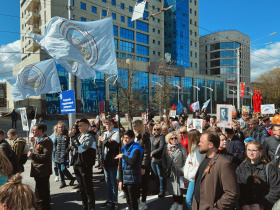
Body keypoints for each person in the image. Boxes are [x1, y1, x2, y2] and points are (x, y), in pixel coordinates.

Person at [192, 131, 239, 210]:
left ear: (211, 145)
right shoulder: (204, 157)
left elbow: (232, 193)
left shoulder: (224, 163)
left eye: (201, 142)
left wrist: (217, 208)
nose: (199, 144)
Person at [236, 140, 280, 210]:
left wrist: (261, 205)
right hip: (245, 207)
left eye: (254, 150)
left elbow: (276, 189)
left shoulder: (269, 167)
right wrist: (243, 204)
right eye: (249, 150)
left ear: (261, 151)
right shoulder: (241, 167)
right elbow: (238, 187)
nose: (251, 152)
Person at [116, 130, 144, 210]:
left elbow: (132, 162)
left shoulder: (137, 149)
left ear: (132, 138)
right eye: (124, 137)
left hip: (133, 179)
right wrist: (120, 180)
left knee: (133, 201)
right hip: (125, 179)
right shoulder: (124, 148)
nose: (125, 139)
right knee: (128, 201)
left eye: (127, 138)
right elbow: (121, 166)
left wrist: (123, 156)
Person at [28, 123, 53, 210]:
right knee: (38, 192)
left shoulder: (46, 140)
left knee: (43, 194)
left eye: (34, 130)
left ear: (40, 131)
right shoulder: (37, 139)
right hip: (38, 171)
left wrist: (33, 155)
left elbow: (46, 157)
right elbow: (36, 150)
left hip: (43, 171)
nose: (32, 131)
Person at [162, 132, 188, 210]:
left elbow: (185, 159)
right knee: (173, 188)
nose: (174, 140)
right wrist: (165, 167)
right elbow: (163, 158)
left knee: (180, 189)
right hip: (170, 172)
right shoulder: (166, 147)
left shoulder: (181, 147)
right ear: (169, 140)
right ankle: (175, 203)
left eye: (175, 138)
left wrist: (184, 169)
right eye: (172, 138)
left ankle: (180, 204)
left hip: (180, 171)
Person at [75, 119, 97, 210]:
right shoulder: (80, 135)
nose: (78, 127)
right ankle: (85, 207)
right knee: (82, 189)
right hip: (78, 165)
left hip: (86, 165)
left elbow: (80, 149)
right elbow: (73, 148)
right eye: (78, 125)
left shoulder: (90, 137)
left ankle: (91, 208)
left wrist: (73, 140)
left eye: (80, 125)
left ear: (87, 126)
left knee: (88, 189)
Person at [99, 119, 120, 210]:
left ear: (113, 125)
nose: (108, 126)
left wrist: (104, 140)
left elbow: (112, 146)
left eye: (110, 124)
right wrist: (101, 160)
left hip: (112, 160)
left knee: (113, 181)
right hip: (105, 159)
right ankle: (109, 199)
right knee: (108, 182)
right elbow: (101, 148)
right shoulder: (105, 133)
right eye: (106, 124)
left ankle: (115, 201)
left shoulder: (116, 133)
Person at [133, 120, 151, 210]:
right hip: (135, 164)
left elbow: (147, 154)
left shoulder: (145, 138)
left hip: (143, 165)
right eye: (133, 126)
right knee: (136, 184)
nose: (134, 128)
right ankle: (138, 201)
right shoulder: (135, 137)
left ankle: (143, 202)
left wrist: (143, 166)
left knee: (143, 184)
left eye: (135, 126)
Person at [184, 130, 203, 210]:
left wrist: (191, 175)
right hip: (193, 178)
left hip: (195, 178)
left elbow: (199, 165)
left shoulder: (198, 150)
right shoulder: (194, 147)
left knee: (189, 200)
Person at [54, 121, 75, 188]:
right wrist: (55, 150)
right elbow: (55, 143)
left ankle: (71, 178)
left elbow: (70, 144)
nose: (60, 128)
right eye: (59, 127)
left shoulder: (67, 134)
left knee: (63, 169)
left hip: (64, 154)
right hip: (57, 154)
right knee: (59, 169)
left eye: (62, 127)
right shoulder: (57, 134)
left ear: (64, 127)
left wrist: (67, 150)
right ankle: (62, 182)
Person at [150, 124, 165, 198]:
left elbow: (161, 147)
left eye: (158, 129)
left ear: (160, 130)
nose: (156, 131)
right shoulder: (152, 137)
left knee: (160, 175)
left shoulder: (161, 137)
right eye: (155, 129)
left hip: (158, 158)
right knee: (155, 175)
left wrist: (152, 153)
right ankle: (157, 188)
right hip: (152, 158)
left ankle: (162, 190)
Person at [67, 124, 81, 190]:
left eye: (75, 128)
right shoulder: (72, 136)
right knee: (75, 169)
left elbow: (78, 145)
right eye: (72, 128)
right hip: (74, 155)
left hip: (79, 155)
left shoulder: (78, 135)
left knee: (79, 170)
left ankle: (81, 184)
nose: (73, 130)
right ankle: (79, 183)